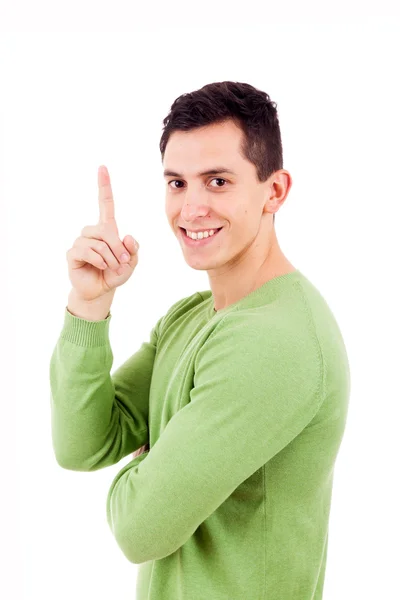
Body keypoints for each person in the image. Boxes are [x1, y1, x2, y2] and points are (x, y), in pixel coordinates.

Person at [49, 81, 351, 600]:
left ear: (274, 191)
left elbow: (140, 528)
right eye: (176, 183)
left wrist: (153, 461)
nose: (190, 209)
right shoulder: (193, 315)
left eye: (217, 181)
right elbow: (83, 444)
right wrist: (89, 305)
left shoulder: (274, 341)